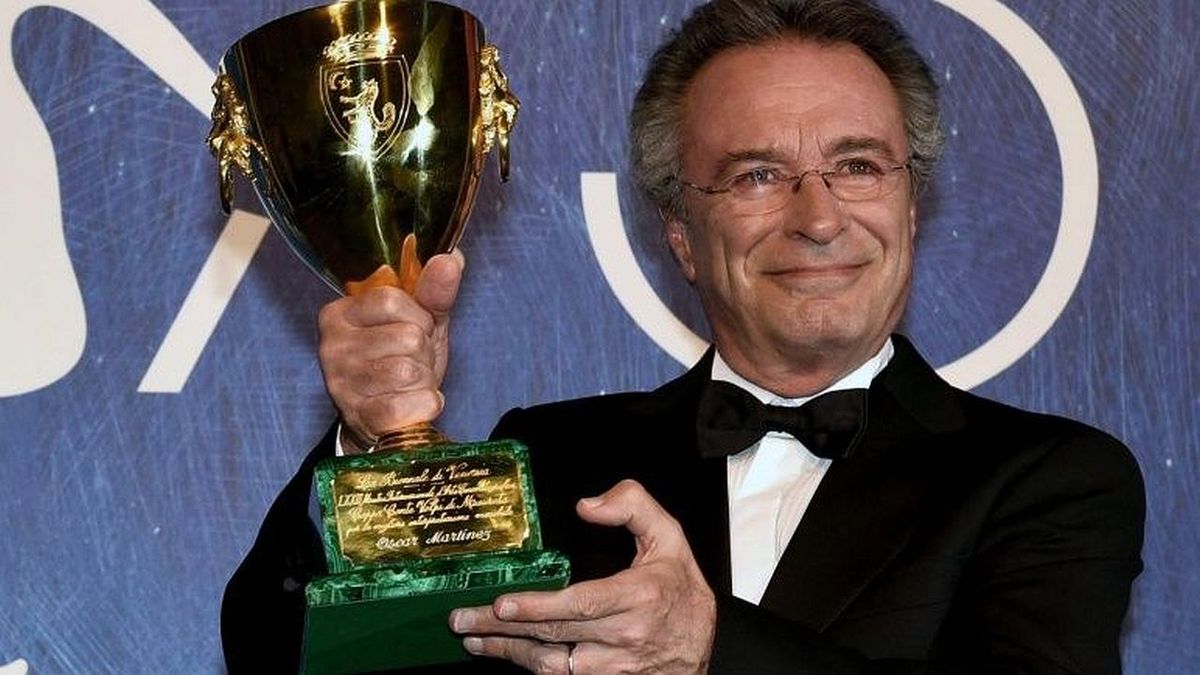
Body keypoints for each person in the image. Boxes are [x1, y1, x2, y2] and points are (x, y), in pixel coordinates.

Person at [221, 0, 1145, 673]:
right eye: (756, 176)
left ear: (910, 203)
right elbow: (285, 652)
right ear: (680, 236)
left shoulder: (1051, 479)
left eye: (859, 165)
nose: (819, 217)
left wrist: (709, 647)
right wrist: (372, 443)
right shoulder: (550, 461)